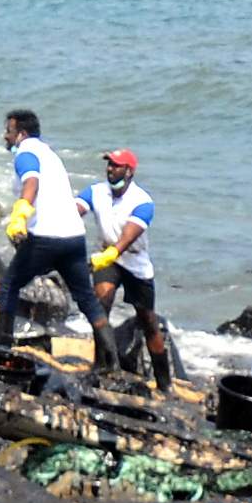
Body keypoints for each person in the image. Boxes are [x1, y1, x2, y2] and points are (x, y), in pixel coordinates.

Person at [0, 108, 102, 359]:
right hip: (74, 237)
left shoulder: (26, 153)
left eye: (9, 131)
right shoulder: (50, 154)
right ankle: (108, 362)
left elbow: (31, 183)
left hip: (45, 238)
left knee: (9, 286)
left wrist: (20, 213)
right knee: (87, 299)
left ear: (21, 134)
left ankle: (2, 349)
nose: (5, 136)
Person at [84, 149, 170, 392]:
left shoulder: (142, 202)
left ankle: (164, 382)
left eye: (117, 165)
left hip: (134, 261)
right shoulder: (96, 191)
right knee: (101, 303)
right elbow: (76, 207)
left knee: (148, 321)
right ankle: (102, 366)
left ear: (129, 171)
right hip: (106, 257)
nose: (110, 169)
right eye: (109, 164)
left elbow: (129, 236)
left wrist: (112, 253)